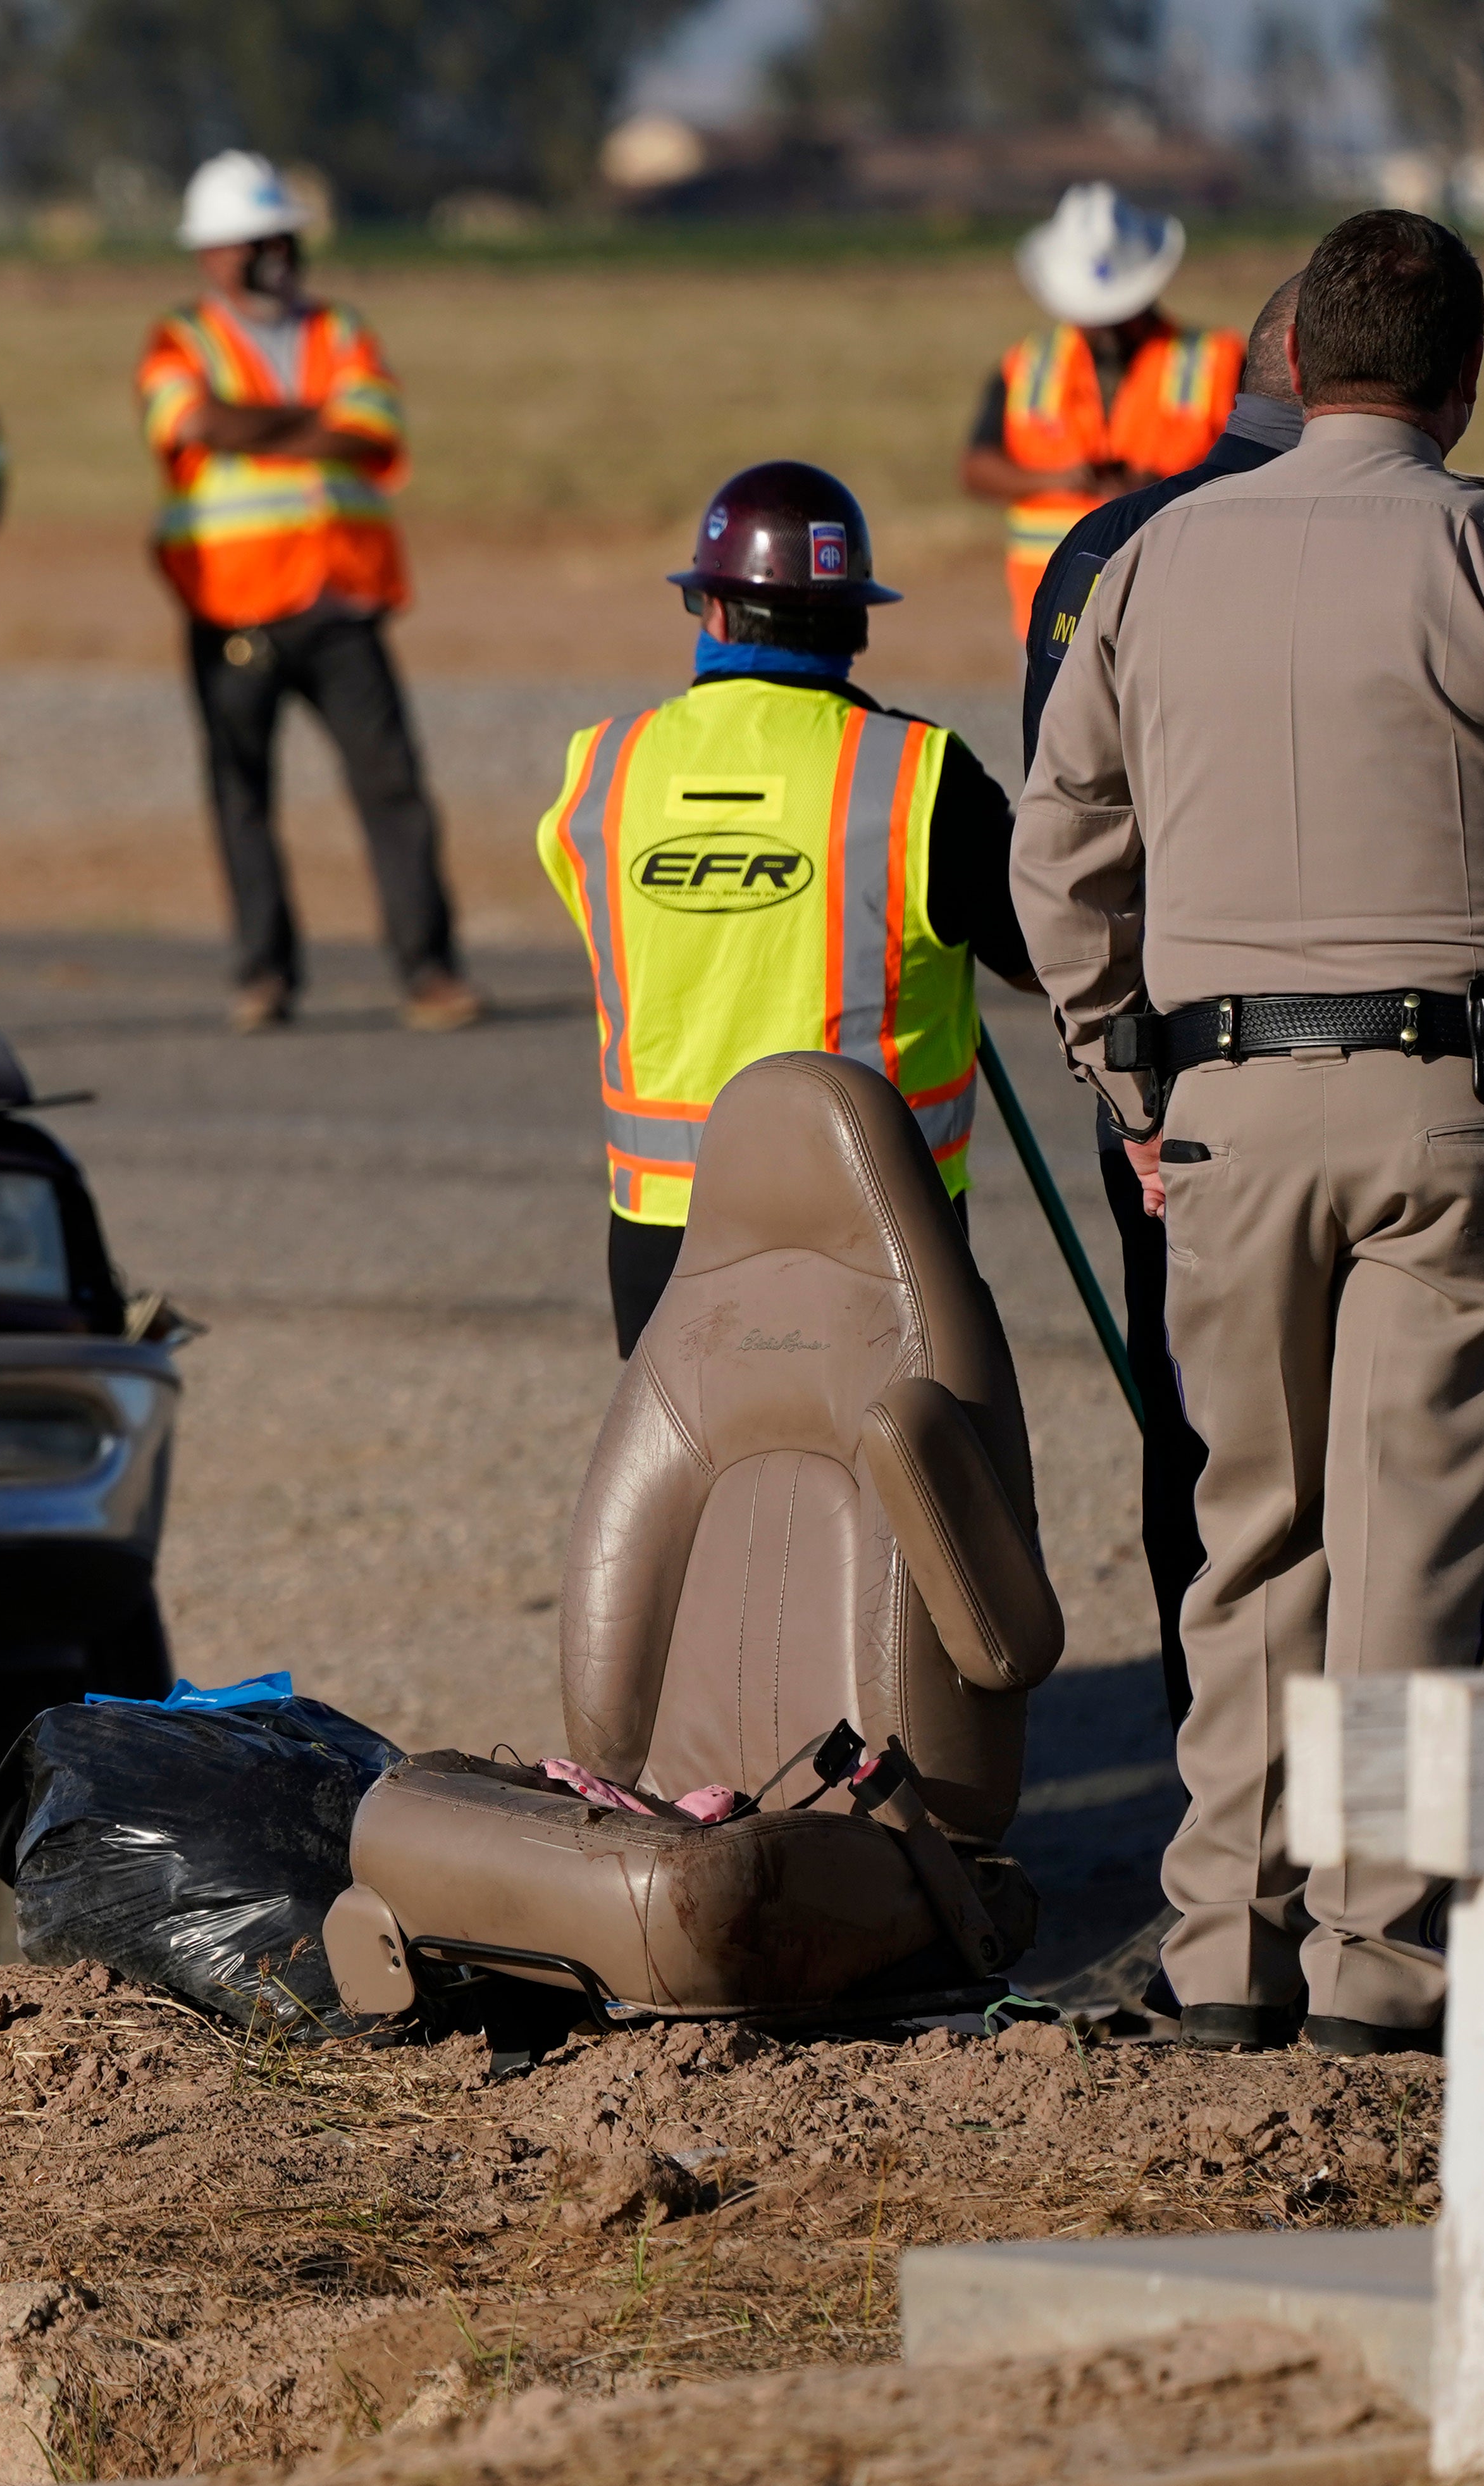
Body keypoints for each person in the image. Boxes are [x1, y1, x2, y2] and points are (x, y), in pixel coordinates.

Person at [1017, 208, 1484, 2056]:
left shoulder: (1146, 560)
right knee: (1423, 1534)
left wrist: (1134, 1090)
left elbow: (1058, 868)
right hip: (1458, 1111)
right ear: (1457, 381)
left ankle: (1222, 1946)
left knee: (1245, 1538)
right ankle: (1388, 1966)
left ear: (1284, 364)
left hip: (1213, 1113)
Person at [537, 462, 1036, 1355]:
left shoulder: (603, 774)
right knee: (900, 1487)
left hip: (664, 1236)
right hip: (879, 1229)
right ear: (855, 623)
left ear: (714, 613)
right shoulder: (923, 777)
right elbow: (1045, 955)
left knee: (701, 1488)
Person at [1017, 269, 1304, 1734]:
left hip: (1167, 1079)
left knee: (1195, 1434)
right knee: (1396, 1455)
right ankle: (1379, 1852)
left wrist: (1123, 1083)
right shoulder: (1437, 533)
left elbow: (1064, 850)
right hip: (1390, 1077)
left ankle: (1222, 1789)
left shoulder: (1101, 547)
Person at [138, 151, 480, 1038]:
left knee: (393, 788)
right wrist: (312, 425)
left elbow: (374, 429)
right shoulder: (180, 339)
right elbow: (192, 424)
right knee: (242, 795)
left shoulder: (343, 330)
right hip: (231, 604)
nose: (274, 255)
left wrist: (262, 431)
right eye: (254, 241)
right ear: (211, 255)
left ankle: (429, 969)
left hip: (342, 597)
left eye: (282, 237)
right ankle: (264, 974)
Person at [960, 183, 1242, 637]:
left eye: (1120, 311)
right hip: (1053, 621)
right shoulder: (1027, 366)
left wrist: (1163, 490)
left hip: (1178, 617)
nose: (1107, 327)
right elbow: (976, 468)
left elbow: (1265, 470)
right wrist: (1055, 480)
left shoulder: (1219, 362)